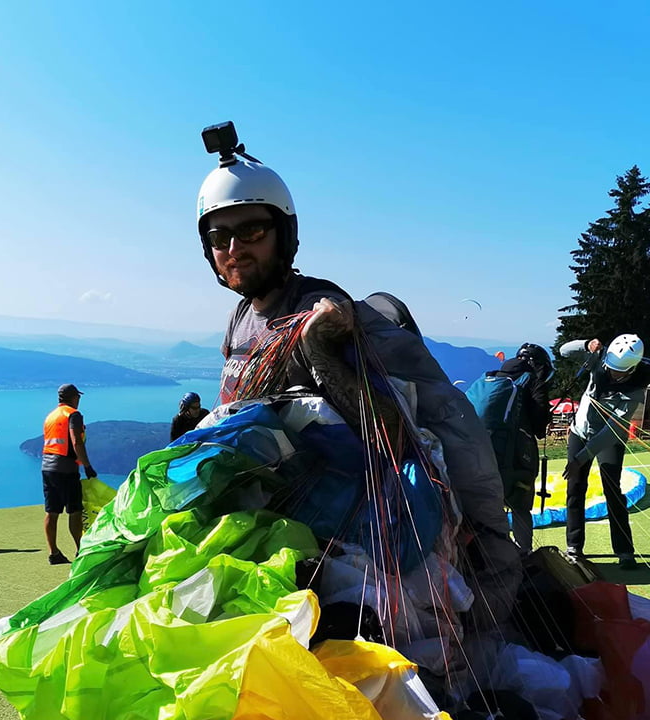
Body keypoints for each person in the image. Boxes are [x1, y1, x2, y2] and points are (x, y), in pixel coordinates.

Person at [196, 123, 521, 627]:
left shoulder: (321, 311)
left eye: (252, 231)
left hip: (339, 543)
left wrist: (321, 353)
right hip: (261, 524)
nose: (234, 247)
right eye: (219, 235)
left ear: (285, 236)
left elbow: (394, 435)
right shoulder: (242, 317)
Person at [561, 334, 649, 569]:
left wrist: (580, 458)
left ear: (632, 369)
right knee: (575, 488)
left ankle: (624, 551)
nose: (612, 374)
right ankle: (574, 548)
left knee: (613, 489)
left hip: (609, 439)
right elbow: (564, 351)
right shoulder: (601, 357)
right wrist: (586, 344)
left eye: (619, 372)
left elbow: (610, 432)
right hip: (580, 432)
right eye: (611, 368)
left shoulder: (635, 390)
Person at [496, 344, 553, 555]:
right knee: (520, 507)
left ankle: (497, 554)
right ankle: (524, 555)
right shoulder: (533, 382)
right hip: (518, 460)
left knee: (492, 507)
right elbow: (539, 428)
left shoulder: (496, 376)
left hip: (485, 454)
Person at [41, 383, 97, 565]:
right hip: (66, 469)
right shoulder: (73, 414)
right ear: (74, 397)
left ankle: (53, 552)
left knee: (52, 511)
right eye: (78, 397)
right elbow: (76, 442)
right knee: (75, 511)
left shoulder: (50, 416)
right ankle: (81, 550)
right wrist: (87, 466)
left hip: (47, 467)